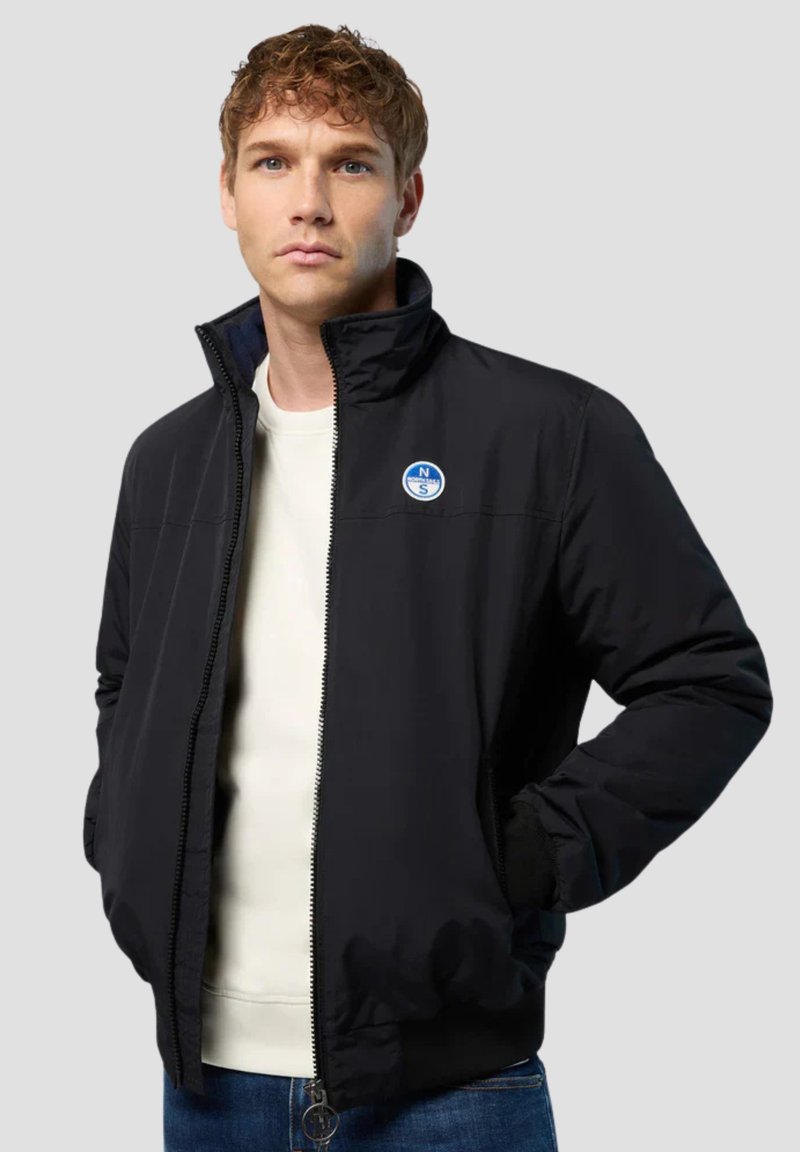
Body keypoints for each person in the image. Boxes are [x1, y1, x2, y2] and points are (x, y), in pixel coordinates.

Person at [82, 22, 773, 1152]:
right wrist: (126, 843)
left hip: (449, 1094)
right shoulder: (168, 460)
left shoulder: (547, 434)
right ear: (227, 193)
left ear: (406, 200)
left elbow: (706, 683)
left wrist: (515, 861)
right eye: (273, 161)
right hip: (207, 1083)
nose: (309, 202)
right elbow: (124, 682)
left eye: (350, 164)